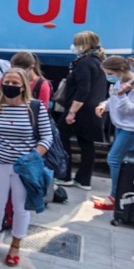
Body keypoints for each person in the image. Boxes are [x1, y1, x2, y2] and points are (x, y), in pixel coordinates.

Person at [0, 68, 52, 267]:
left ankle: (16, 244)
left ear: (23, 86)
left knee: (20, 207)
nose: (10, 86)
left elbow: (47, 137)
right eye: (6, 82)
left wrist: (33, 156)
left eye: (15, 83)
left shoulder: (34, 108)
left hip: (24, 167)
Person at [56, 31, 107, 190]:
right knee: (86, 143)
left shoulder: (83, 63)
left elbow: (83, 89)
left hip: (80, 110)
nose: (74, 46)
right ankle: (84, 180)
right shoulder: (99, 61)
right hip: (93, 110)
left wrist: (72, 111)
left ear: (84, 45)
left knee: (61, 136)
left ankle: (64, 175)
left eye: (76, 43)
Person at [94, 56, 134, 210]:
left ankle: (115, 196)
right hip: (121, 126)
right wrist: (103, 105)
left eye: (109, 72)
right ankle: (121, 195)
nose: (108, 76)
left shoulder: (129, 86)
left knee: (114, 159)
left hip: (130, 129)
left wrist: (122, 95)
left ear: (120, 71)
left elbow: (129, 109)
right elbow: (113, 101)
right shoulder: (119, 83)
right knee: (123, 162)